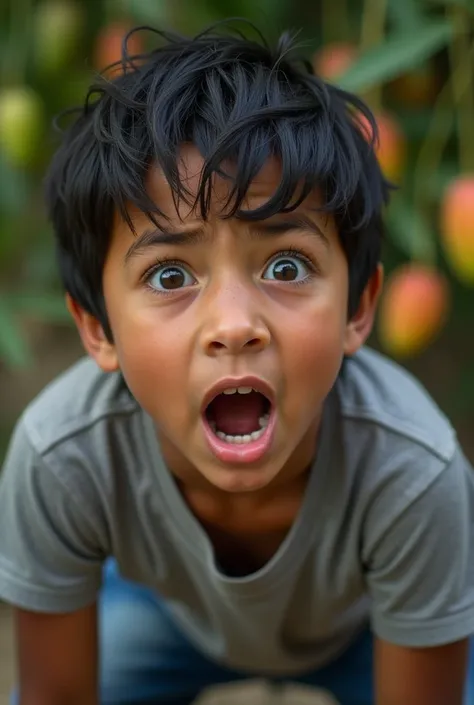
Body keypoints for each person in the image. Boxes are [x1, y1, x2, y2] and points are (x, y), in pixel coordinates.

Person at [0, 20, 473, 705]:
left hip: (370, 629)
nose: (234, 326)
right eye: (169, 277)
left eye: (286, 265)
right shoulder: (62, 455)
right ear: (97, 327)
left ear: (358, 309)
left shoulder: (413, 471)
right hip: (166, 620)